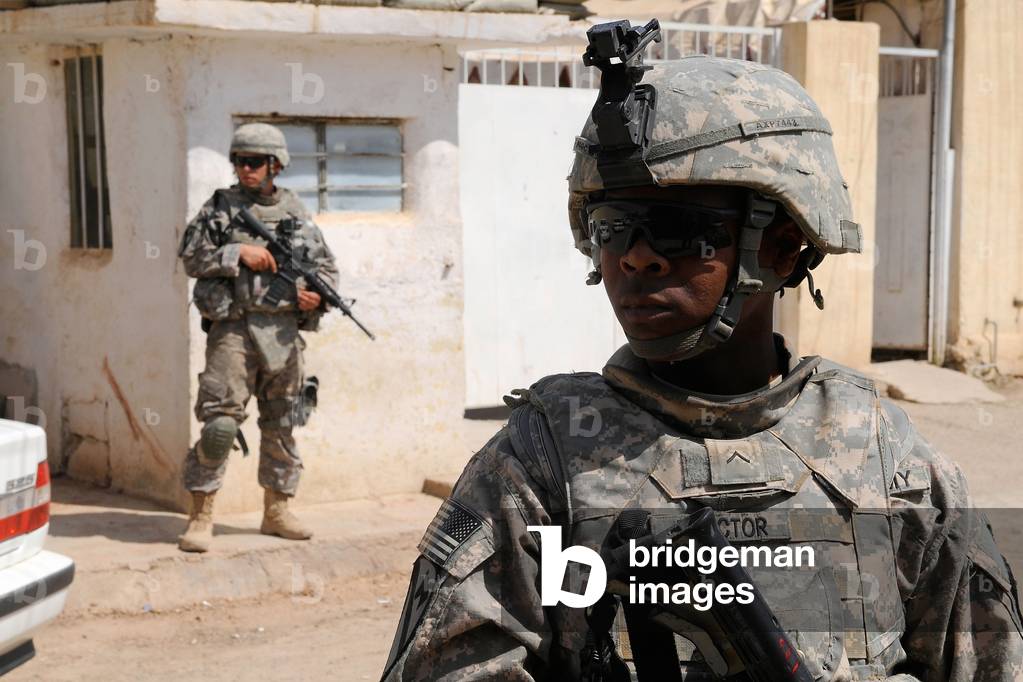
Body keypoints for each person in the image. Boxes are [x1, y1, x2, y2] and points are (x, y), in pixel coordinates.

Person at [380, 38, 1023, 682]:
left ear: (782, 245)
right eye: (612, 228)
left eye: (678, 229)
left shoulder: (888, 460)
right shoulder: (541, 463)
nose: (636, 258)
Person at [176, 122, 338, 553]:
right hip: (235, 330)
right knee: (220, 424)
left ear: (275, 166)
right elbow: (189, 255)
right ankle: (201, 514)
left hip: (283, 334)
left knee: (283, 424)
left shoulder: (297, 214)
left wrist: (314, 299)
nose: (244, 169)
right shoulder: (220, 208)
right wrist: (236, 253)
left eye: (253, 162)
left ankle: (277, 510)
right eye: (239, 161)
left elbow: (325, 271)